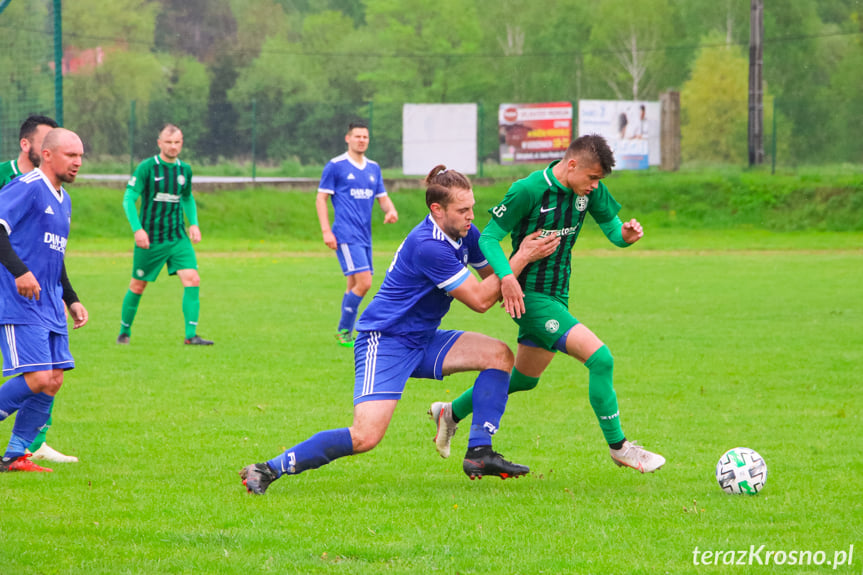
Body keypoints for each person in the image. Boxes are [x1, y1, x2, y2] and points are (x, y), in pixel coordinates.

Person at [240, 165, 560, 494]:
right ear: (437, 210)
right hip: (386, 341)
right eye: (463, 210)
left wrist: (532, 256)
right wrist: (521, 257)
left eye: (472, 208)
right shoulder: (428, 245)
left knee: (499, 355)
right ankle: (266, 469)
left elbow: (498, 281)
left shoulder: (466, 234)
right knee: (365, 437)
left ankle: (480, 452)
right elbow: (480, 300)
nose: (471, 216)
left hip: (422, 338)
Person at [429, 135, 666, 474]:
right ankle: (620, 447)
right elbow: (489, 237)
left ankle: (449, 412)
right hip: (531, 298)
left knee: (525, 378)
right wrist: (507, 277)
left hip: (558, 296)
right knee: (601, 359)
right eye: (592, 178)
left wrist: (626, 236)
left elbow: (614, 231)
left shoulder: (589, 192)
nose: (595, 186)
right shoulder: (528, 190)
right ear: (572, 165)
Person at [0, 128, 88, 473]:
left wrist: (71, 297)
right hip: (18, 299)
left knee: (53, 378)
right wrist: (20, 272)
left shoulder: (63, 198)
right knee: (37, 377)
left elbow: (55, 254)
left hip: (50, 302)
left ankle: (15, 454)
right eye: (71, 155)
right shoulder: (28, 186)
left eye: (80, 155)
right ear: (47, 154)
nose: (78, 162)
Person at [116, 124, 212, 346]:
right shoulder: (147, 168)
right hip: (151, 239)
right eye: (168, 142)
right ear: (159, 143)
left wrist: (194, 223)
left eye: (177, 142)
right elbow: (129, 198)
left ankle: (191, 336)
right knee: (138, 285)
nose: (173, 146)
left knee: (193, 279)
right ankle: (124, 332)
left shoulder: (184, 170)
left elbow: (186, 197)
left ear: (182, 143)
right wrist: (137, 229)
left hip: (177, 237)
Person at [315, 121, 398, 348]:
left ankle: (345, 332)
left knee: (353, 284)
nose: (362, 140)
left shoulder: (373, 168)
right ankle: (344, 331)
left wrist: (390, 210)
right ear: (348, 138)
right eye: (358, 136)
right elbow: (321, 198)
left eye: (365, 137)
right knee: (365, 282)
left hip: (365, 236)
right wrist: (326, 231)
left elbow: (382, 197)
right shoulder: (336, 166)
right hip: (345, 234)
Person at [0, 115, 59, 186]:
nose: (51, 150)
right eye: (46, 143)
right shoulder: (2, 173)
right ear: (25, 145)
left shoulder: (51, 182)